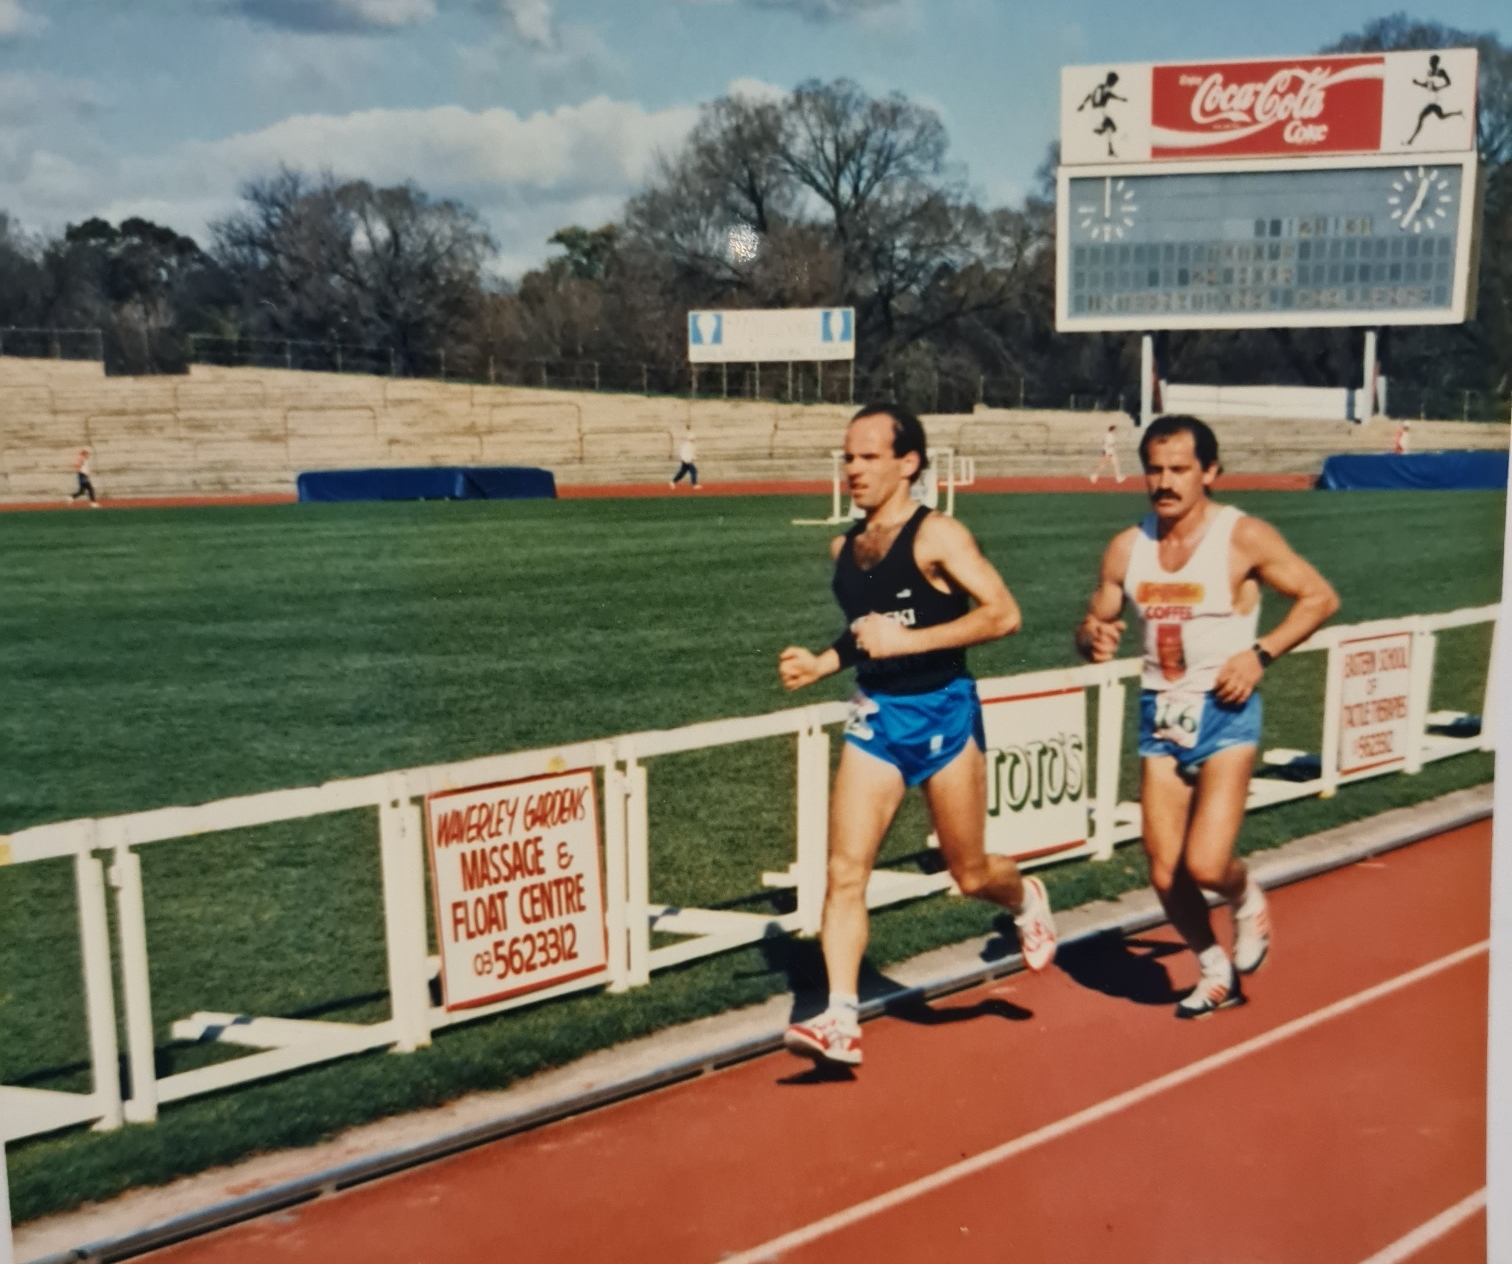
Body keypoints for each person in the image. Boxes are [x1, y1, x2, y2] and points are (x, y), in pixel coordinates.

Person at [777, 404, 1057, 1066]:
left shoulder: (941, 537)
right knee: (845, 872)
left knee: (968, 873)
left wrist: (911, 640)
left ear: (908, 463)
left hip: (945, 713)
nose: (853, 469)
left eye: (868, 457)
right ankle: (841, 1018)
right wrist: (825, 661)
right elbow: (868, 628)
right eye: (847, 457)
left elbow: (1004, 616)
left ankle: (1024, 897)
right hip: (878, 717)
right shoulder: (844, 549)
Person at [1075, 415, 1338, 1018]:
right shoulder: (1127, 546)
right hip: (1158, 715)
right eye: (1155, 469)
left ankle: (1246, 898)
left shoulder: (1241, 537)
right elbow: (1098, 618)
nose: (1164, 483)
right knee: (1165, 870)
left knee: (1206, 863)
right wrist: (1092, 635)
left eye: (1179, 470)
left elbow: (1319, 596)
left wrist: (1260, 652)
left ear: (1209, 472)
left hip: (1225, 712)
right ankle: (1213, 967)